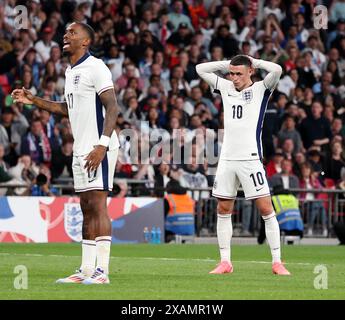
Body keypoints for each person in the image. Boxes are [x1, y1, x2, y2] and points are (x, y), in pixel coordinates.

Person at [12, 22, 119, 285]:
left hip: (99, 146)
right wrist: (33, 100)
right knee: (85, 207)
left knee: (97, 205)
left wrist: (102, 145)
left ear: (86, 42)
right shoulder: (71, 71)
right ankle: (85, 270)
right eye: (66, 32)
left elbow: (113, 107)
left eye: (73, 33)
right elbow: (67, 108)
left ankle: (102, 272)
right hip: (81, 148)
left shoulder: (96, 67)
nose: (66, 35)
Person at [196, 54, 290, 275]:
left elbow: (276, 69)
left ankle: (277, 262)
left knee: (266, 208)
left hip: (250, 158)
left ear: (251, 72)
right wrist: (226, 64)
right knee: (223, 209)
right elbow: (200, 68)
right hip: (227, 158)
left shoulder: (261, 89)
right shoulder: (226, 86)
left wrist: (255, 61)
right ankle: (225, 261)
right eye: (232, 73)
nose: (234, 77)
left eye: (239, 73)